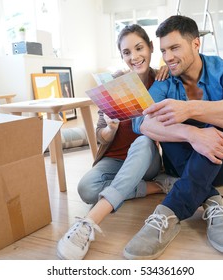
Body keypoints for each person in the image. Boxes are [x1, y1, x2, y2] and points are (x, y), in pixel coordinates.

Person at [124, 15, 223, 259]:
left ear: (196, 44)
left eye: (175, 48)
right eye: (164, 50)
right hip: (183, 164)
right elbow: (141, 121)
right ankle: (213, 203)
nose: (168, 57)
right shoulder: (166, 79)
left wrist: (191, 109)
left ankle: (167, 213)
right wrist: (191, 132)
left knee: (222, 120)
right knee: (167, 117)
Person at [57, 24, 178, 260]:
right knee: (86, 189)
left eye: (139, 48)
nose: (134, 57)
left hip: (147, 159)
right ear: (121, 56)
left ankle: (90, 222)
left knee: (143, 141)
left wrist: (166, 69)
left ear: (151, 47)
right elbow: (100, 134)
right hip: (115, 159)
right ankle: (157, 186)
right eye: (126, 52)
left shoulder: (162, 79)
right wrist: (110, 127)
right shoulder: (114, 83)